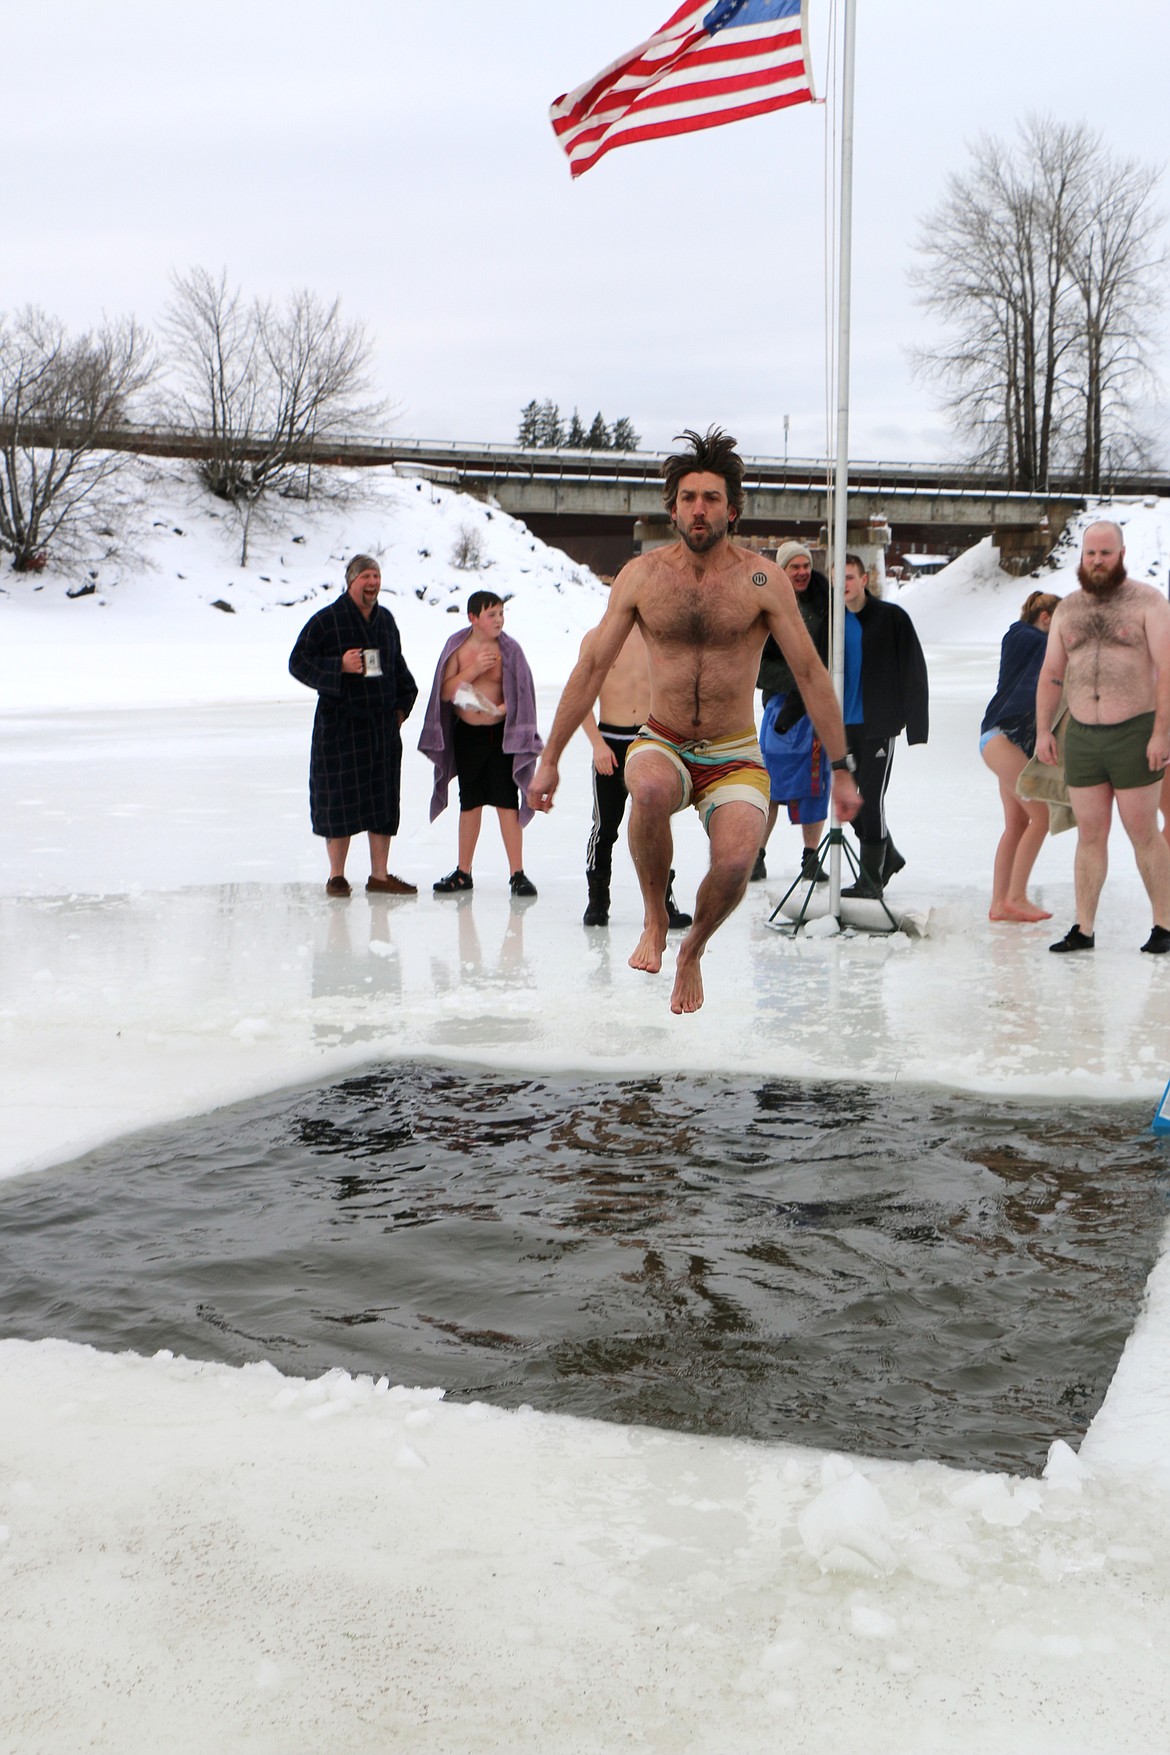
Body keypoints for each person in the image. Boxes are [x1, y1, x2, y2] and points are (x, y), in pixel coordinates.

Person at [527, 426, 861, 1014]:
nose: (698, 509)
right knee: (649, 789)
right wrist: (549, 759)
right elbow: (591, 667)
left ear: (733, 508)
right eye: (688, 498)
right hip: (664, 738)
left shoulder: (762, 579)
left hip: (735, 749)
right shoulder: (643, 577)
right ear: (672, 508)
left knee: (735, 862)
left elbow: (810, 674)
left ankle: (693, 950)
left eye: (711, 498)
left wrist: (841, 766)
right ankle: (656, 920)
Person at [1036, 520, 1170, 954]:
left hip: (1135, 731)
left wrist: (1161, 734)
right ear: (1082, 557)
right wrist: (1042, 730)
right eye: (1091, 553)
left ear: (1121, 554)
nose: (1097, 561)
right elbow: (1052, 673)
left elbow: (1167, 671)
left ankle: (1164, 924)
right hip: (1082, 735)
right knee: (1089, 834)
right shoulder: (1068, 609)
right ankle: (1084, 928)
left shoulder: (1148, 602)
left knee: (1143, 830)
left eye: (1105, 553)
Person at [288, 553, 418, 898]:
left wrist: (402, 708)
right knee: (339, 801)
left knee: (383, 802)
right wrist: (338, 667)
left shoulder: (386, 621)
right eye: (366, 577)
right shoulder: (327, 620)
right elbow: (298, 662)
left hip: (381, 731)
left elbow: (400, 669)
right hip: (340, 729)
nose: (372, 583)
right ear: (351, 582)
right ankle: (336, 876)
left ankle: (379, 875)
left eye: (376, 576)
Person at [419, 590, 543, 897]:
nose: (499, 620)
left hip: (500, 735)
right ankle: (464, 872)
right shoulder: (458, 648)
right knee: (469, 801)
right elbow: (444, 692)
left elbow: (523, 694)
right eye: (492, 615)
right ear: (473, 618)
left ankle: (517, 873)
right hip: (468, 735)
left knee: (506, 802)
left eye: (501, 614)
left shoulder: (510, 651)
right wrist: (474, 670)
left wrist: (503, 710)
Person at [580, 589, 692, 930]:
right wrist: (597, 744)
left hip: (650, 741)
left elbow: (678, 692)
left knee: (657, 825)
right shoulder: (597, 639)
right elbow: (580, 697)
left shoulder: (660, 640)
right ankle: (598, 899)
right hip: (610, 742)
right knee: (605, 827)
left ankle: (663, 902)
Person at [836, 554, 929, 899]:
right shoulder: (833, 624)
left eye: (849, 576)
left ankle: (871, 879)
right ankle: (887, 855)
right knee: (849, 801)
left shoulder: (891, 618)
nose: (843, 584)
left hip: (878, 725)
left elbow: (913, 670)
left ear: (864, 580)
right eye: (838, 579)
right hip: (840, 727)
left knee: (870, 799)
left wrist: (917, 726)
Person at [980, 590, 1062, 922]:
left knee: (1016, 823)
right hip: (1003, 740)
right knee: (1041, 817)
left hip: (1000, 739)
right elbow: (1057, 658)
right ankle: (1016, 896)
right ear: (1046, 619)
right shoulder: (1027, 637)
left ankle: (1000, 904)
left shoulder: (1023, 639)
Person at [752, 540, 830, 882]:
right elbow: (756, 665)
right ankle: (756, 854)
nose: (801, 572)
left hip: (819, 708)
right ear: (782, 570)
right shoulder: (766, 606)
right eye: (793, 566)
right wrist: (799, 675)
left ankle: (810, 857)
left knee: (818, 784)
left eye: (805, 565)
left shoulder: (826, 602)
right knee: (770, 783)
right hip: (781, 708)